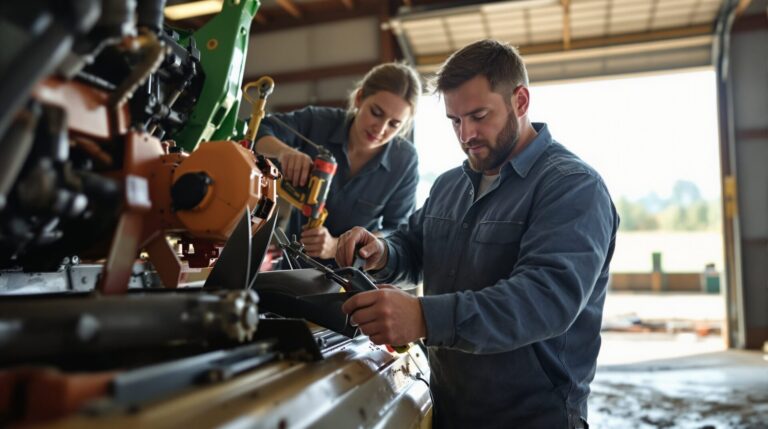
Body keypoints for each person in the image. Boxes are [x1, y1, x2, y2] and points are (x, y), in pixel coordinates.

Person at [336, 40, 619, 428]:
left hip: (532, 418)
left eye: (478, 116)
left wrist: (424, 317)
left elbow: (545, 299)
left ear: (520, 101)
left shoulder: (572, 187)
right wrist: (381, 251)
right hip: (449, 407)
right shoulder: (451, 184)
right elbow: (415, 247)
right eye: (455, 120)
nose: (466, 134)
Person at [254, 62, 422, 266]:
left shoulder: (405, 160)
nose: (380, 128)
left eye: (394, 124)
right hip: (290, 265)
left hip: (350, 277)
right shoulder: (319, 122)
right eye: (376, 113)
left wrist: (337, 247)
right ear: (360, 98)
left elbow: (395, 230)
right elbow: (258, 130)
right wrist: (284, 152)